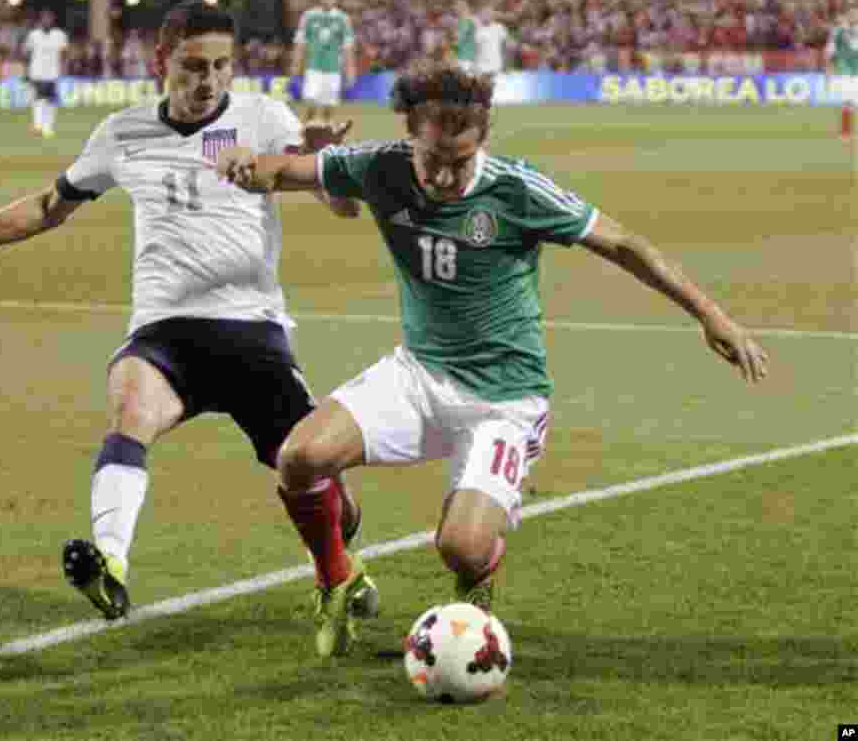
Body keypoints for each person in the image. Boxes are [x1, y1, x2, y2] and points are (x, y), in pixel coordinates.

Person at [0, 1, 376, 658]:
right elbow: (48, 206)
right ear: (161, 62)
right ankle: (110, 565)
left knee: (330, 497)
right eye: (193, 66)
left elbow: (342, 207)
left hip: (252, 331)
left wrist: (325, 160)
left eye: (221, 66)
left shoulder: (266, 118)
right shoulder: (122, 132)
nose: (209, 80)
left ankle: (336, 563)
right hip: (165, 331)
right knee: (130, 407)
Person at [215, 63, 769, 647]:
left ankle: (478, 575)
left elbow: (624, 244)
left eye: (460, 161)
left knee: (461, 546)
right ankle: (336, 580)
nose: (445, 176)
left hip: (504, 399)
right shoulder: (379, 165)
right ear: (410, 137)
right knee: (299, 457)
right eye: (433, 159)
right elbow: (284, 170)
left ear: (481, 142)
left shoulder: (516, 189)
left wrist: (712, 316)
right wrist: (245, 164)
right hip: (418, 374)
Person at [290, 0, 356, 124]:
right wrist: (295, 64)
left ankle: (326, 131)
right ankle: (308, 128)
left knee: (330, 106)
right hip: (313, 67)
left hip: (333, 68)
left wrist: (350, 70)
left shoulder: (343, 19)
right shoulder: (309, 16)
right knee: (311, 102)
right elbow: (300, 43)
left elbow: (348, 47)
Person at [24, 10, 68, 138]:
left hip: (53, 73)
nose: (47, 21)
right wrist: (26, 70)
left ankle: (48, 128)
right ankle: (38, 126)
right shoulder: (33, 35)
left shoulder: (59, 35)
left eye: (49, 18)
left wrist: (64, 67)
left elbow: (64, 52)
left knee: (51, 101)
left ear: (53, 20)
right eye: (44, 18)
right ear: (40, 20)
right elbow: (27, 53)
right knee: (38, 99)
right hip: (37, 72)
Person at [825, 8, 858, 140]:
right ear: (847, 16)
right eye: (852, 15)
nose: (854, 17)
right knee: (847, 102)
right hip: (844, 71)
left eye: (856, 15)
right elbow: (829, 52)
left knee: (851, 103)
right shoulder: (838, 32)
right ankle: (845, 133)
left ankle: (846, 132)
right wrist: (828, 71)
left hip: (856, 71)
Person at [474, 5, 510, 77]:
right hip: (481, 65)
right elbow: (476, 49)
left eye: (488, 14)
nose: (486, 16)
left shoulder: (500, 28)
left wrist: (506, 64)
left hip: (497, 64)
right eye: (483, 14)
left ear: (492, 15)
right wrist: (475, 64)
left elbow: (505, 46)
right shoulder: (478, 30)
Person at [453, 0, 479, 73]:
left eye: (456, 8)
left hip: (465, 58)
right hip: (468, 57)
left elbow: (458, 39)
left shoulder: (466, 21)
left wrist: (453, 50)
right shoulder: (471, 20)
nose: (455, 10)